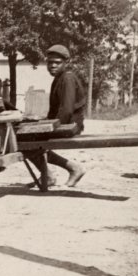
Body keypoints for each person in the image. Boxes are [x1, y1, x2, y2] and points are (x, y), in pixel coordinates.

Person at [24, 44, 87, 189]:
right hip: (65, 124)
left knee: (24, 141)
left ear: (66, 63)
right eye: (50, 62)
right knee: (26, 137)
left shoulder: (67, 78)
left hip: (70, 126)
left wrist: (48, 127)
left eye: (57, 63)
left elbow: (66, 110)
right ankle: (57, 173)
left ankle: (70, 169)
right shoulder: (59, 78)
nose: (52, 66)